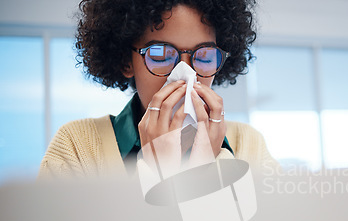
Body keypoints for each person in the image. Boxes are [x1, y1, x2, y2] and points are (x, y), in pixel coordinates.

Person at [38, 0, 278, 179]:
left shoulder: (248, 146)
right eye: (160, 55)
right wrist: (155, 173)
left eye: (204, 57)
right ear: (126, 61)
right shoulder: (78, 147)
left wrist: (211, 164)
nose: (185, 76)